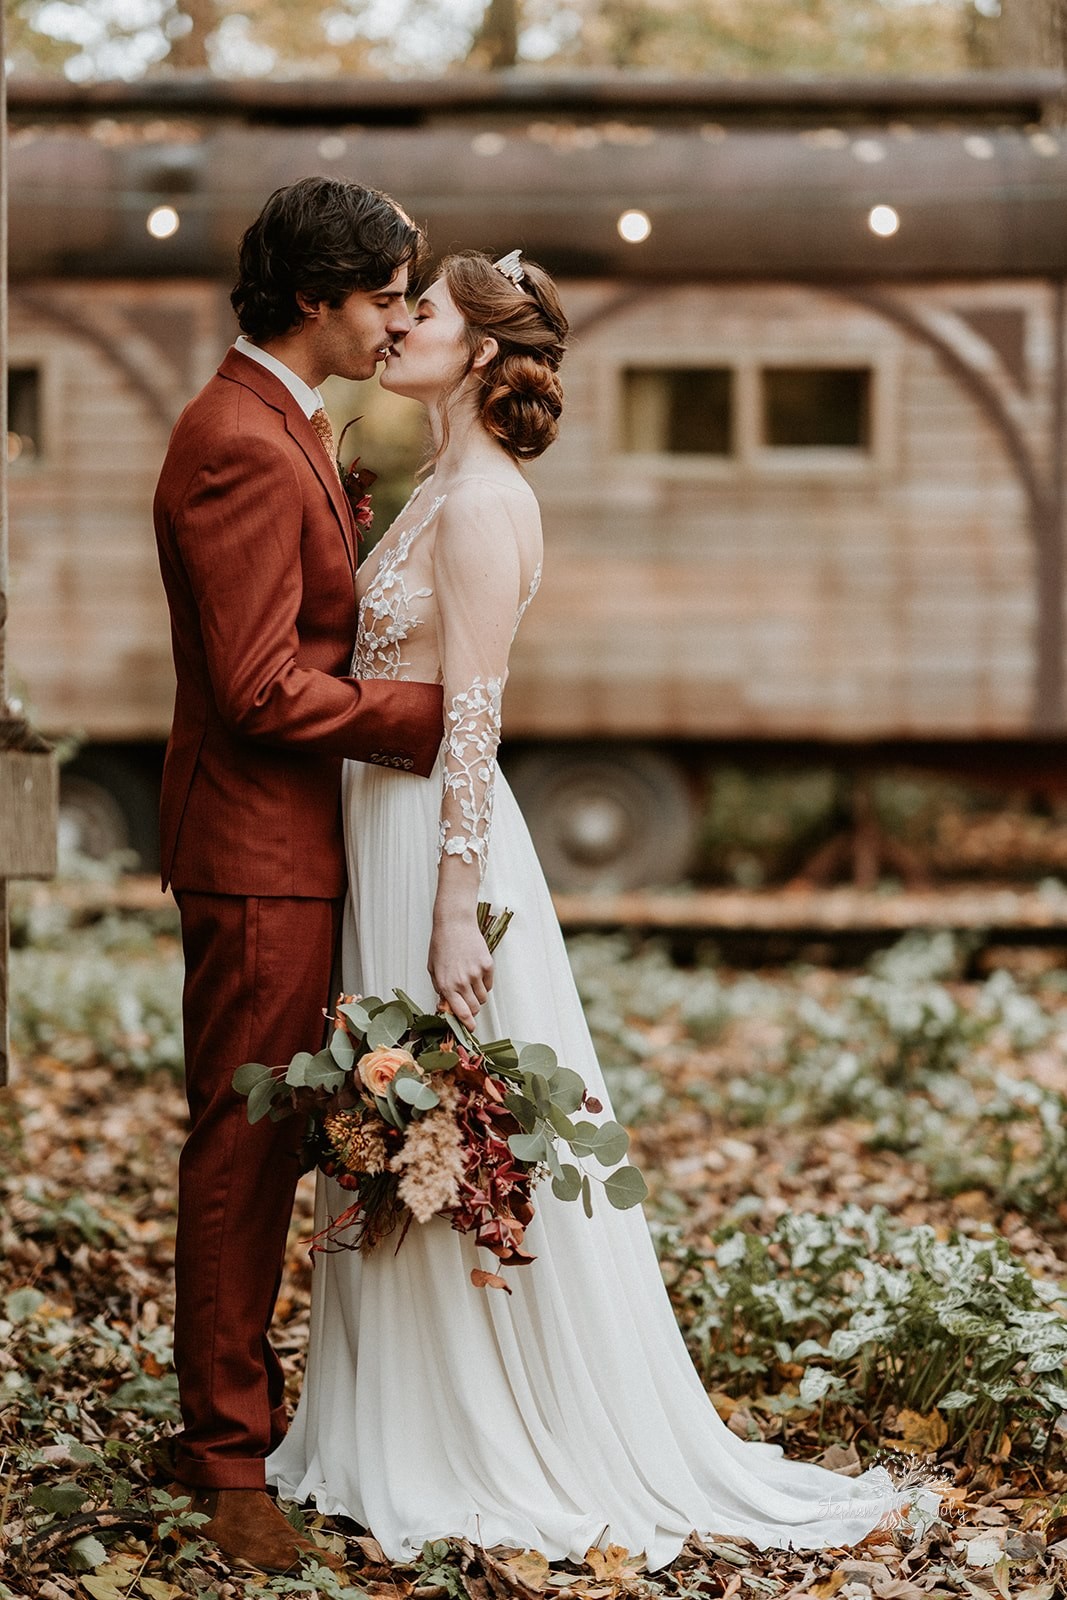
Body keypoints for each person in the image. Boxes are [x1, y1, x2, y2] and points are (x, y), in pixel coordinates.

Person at [265, 249, 907, 1567]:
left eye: (425, 312)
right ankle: (386, 1408)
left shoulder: (489, 501)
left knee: (442, 1118)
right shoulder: (438, 480)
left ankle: (469, 1429)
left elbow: (476, 712)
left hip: (436, 849)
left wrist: (452, 909)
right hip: (375, 828)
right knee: (384, 1115)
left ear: (485, 351)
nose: (398, 326)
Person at [152, 176, 444, 1576]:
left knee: (267, 1149)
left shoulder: (288, 425)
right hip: (257, 856)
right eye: (387, 292)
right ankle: (224, 1463)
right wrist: (422, 714)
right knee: (244, 1151)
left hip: (295, 851)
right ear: (319, 295)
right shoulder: (241, 442)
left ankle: (234, 1423)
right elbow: (261, 686)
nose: (399, 316)